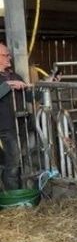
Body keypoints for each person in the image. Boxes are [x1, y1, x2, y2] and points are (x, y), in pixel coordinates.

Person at [0, 42, 29, 191]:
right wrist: (8, 85)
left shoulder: (14, 75)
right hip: (5, 127)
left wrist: (48, 84)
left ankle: (20, 191)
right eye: (5, 55)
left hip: (21, 124)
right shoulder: (10, 79)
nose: (9, 57)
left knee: (21, 160)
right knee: (13, 163)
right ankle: (13, 199)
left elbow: (29, 95)